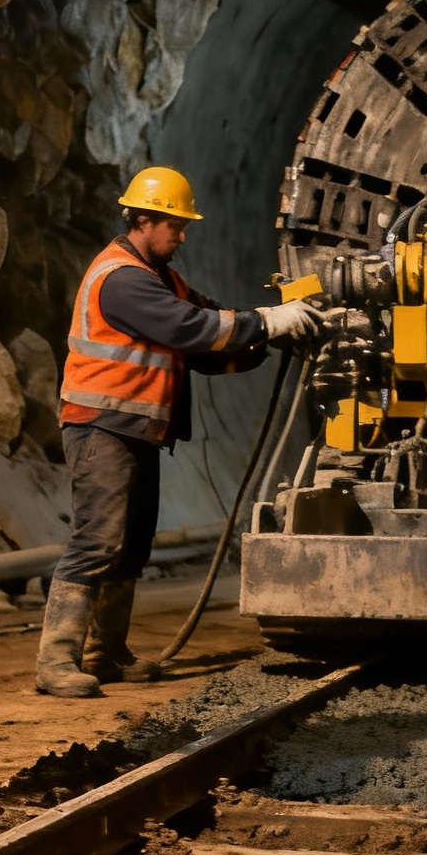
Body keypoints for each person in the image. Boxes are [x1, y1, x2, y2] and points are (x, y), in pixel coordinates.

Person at [37, 167, 320, 697]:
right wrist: (266, 320)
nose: (183, 235)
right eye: (176, 224)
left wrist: (262, 339)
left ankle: (106, 654)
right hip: (101, 426)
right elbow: (187, 329)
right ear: (144, 220)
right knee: (97, 540)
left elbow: (207, 325)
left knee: (131, 545)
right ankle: (56, 662)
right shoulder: (121, 278)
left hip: (136, 429)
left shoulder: (161, 278)